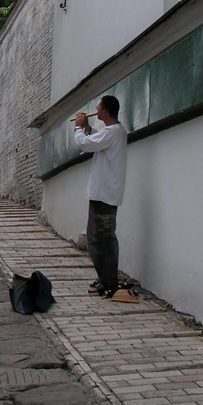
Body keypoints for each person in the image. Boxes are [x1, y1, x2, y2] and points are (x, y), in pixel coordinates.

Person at [74, 95, 127, 299]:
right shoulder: (113, 132)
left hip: (104, 194)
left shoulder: (113, 131)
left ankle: (109, 282)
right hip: (103, 193)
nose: (95, 110)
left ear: (105, 111)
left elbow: (85, 145)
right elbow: (96, 141)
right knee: (98, 237)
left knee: (102, 239)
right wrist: (88, 129)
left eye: (98, 107)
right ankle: (105, 278)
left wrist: (79, 128)